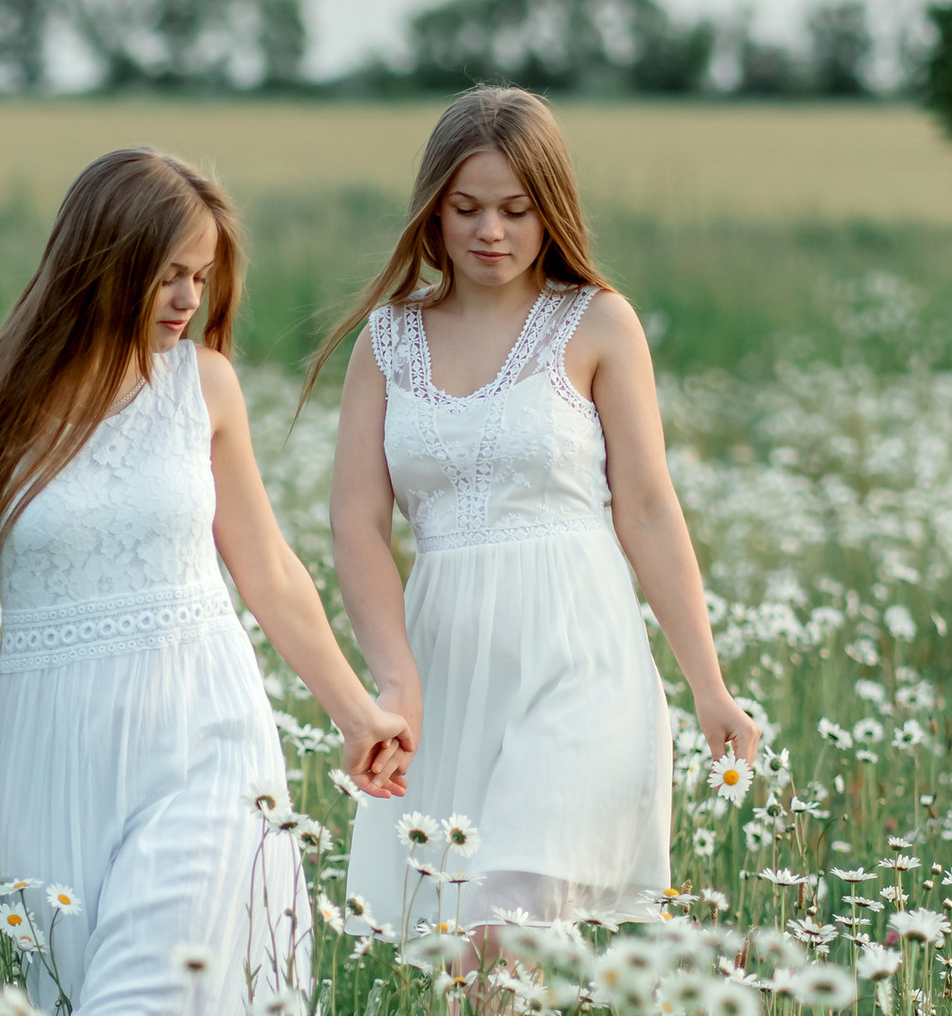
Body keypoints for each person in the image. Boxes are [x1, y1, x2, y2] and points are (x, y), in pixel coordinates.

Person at [0, 145, 410, 1016]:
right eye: (169, 274)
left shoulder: (204, 389)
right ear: (100, 262)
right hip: (55, 760)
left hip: (208, 739)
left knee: (151, 1007)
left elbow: (266, 570)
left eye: (203, 276)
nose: (189, 300)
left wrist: (356, 711)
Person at [321, 84, 759, 939]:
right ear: (433, 212)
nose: (493, 231)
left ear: (551, 207)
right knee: (463, 952)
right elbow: (356, 522)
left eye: (518, 209)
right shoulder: (387, 340)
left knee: (502, 925)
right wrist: (395, 683)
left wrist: (708, 685)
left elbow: (648, 510)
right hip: (446, 669)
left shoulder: (597, 324)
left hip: (579, 657)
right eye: (469, 208)